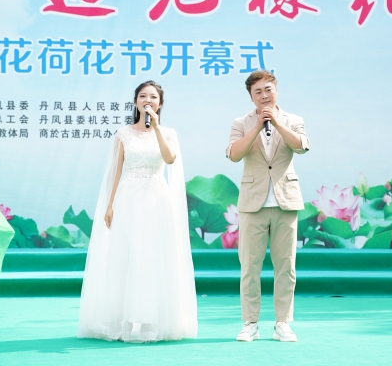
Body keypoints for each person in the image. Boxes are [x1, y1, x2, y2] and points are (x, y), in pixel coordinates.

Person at [78, 81, 198, 343]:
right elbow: (115, 172)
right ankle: (122, 322)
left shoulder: (168, 133)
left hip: (157, 200)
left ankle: (150, 323)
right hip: (128, 198)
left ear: (160, 103)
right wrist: (110, 205)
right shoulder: (123, 134)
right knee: (125, 255)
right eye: (143, 96)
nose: (148, 100)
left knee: (153, 256)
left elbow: (170, 159)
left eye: (153, 97)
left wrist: (156, 127)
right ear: (135, 102)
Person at [226, 70, 310, 343]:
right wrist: (257, 127)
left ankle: (282, 323)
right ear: (251, 97)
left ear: (276, 91)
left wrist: (276, 122)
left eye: (268, 89)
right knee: (250, 267)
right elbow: (234, 154)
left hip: (286, 200)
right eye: (258, 92)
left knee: (286, 267)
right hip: (253, 202)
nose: (264, 95)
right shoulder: (241, 123)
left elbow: (301, 146)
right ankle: (250, 323)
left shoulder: (294, 120)